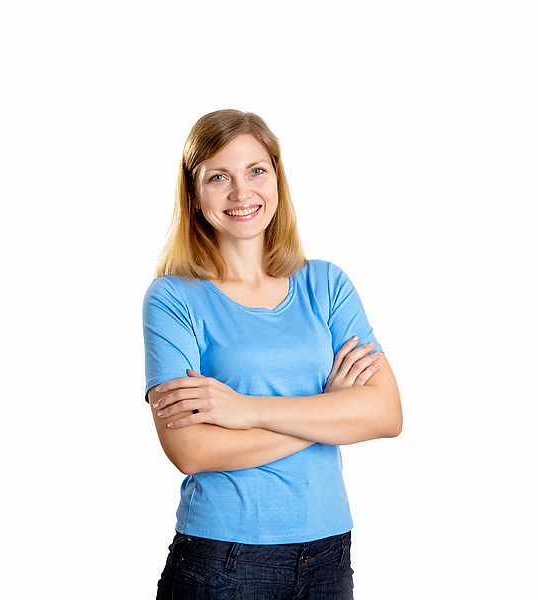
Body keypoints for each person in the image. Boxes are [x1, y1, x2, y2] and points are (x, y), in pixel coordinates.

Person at [142, 109, 403, 599]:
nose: (242, 193)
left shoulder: (325, 285)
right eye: (219, 177)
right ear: (195, 195)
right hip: (225, 559)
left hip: (329, 553)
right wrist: (328, 411)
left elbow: (386, 414)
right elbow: (192, 450)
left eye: (256, 171)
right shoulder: (173, 298)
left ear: (277, 180)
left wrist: (245, 411)